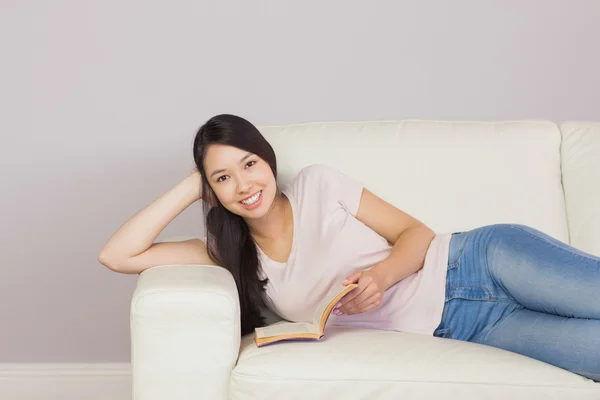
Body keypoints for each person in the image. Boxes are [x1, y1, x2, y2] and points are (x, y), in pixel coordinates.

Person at [98, 114, 600, 382]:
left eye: (250, 164)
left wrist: (380, 277)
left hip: (482, 261)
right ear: (214, 192)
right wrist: (192, 183)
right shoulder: (227, 255)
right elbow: (119, 255)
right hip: (469, 325)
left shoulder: (319, 184)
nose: (245, 184)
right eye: (224, 178)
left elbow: (417, 233)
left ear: (268, 161)